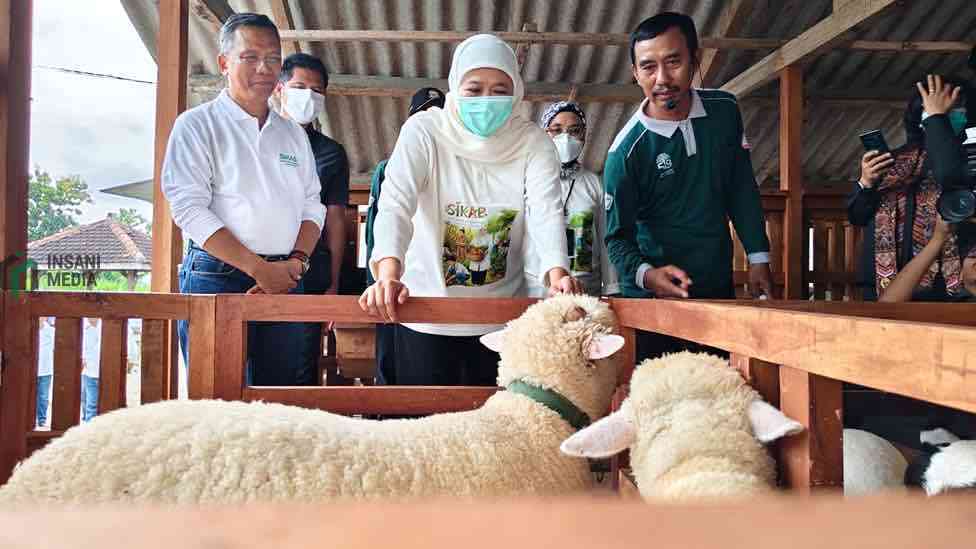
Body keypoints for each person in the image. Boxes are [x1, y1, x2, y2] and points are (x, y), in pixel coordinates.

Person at [360, 34, 580, 386]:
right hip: (426, 313)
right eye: (474, 89)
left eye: (499, 89)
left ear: (517, 90)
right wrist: (388, 273)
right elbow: (396, 202)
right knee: (423, 425)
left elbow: (546, 210)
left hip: (500, 319)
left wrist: (558, 274)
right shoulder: (425, 131)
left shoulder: (532, 142)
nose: (486, 100)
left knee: (492, 427)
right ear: (454, 86)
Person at [163, 13, 325, 385]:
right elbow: (188, 208)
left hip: (285, 276)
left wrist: (296, 263)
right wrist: (257, 268)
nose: (264, 68)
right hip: (217, 276)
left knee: (277, 396)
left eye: (272, 59)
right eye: (250, 57)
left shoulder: (292, 134)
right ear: (224, 63)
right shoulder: (197, 125)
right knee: (217, 397)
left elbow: (312, 205)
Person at [603, 12, 772, 361]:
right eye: (648, 67)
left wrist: (758, 256)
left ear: (695, 60)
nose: (662, 78)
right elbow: (616, 239)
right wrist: (649, 276)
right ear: (635, 74)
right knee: (661, 400)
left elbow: (740, 187)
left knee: (720, 392)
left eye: (673, 62)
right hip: (655, 306)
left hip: (716, 290)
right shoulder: (626, 153)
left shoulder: (725, 110)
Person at [848, 74, 976, 301]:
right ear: (920, 115)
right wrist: (866, 183)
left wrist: (939, 121)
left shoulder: (967, 161)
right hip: (888, 282)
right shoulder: (893, 161)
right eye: (934, 109)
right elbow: (858, 216)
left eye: (954, 109)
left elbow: (950, 176)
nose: (946, 115)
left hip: (951, 286)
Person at [273, 52, 350, 385]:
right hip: (257, 268)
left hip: (308, 273)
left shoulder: (331, 153)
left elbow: (335, 220)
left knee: (300, 366)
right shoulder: (259, 139)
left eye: (316, 91)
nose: (308, 96)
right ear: (279, 89)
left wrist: (333, 283)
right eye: (299, 86)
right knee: (249, 365)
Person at [365, 87, 445, 385]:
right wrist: (377, 278)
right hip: (398, 280)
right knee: (392, 355)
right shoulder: (389, 169)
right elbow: (377, 227)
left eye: (437, 111)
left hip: (438, 282)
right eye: (423, 113)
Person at [526, 101, 620, 297]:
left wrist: (612, 287)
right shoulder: (529, 180)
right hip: (536, 289)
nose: (566, 137)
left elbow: (606, 239)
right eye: (557, 130)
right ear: (545, 134)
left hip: (584, 289)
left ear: (584, 134)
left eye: (574, 130)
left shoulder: (594, 183)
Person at [35, 317, 54, 428]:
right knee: (31, 395)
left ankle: (42, 420)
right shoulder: (31, 329)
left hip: (46, 369)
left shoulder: (51, 331)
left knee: (43, 396)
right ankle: (31, 419)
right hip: (33, 369)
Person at [81, 317, 101, 422]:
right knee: (86, 402)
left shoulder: (105, 326)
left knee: (92, 404)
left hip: (100, 371)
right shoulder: (83, 327)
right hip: (88, 371)